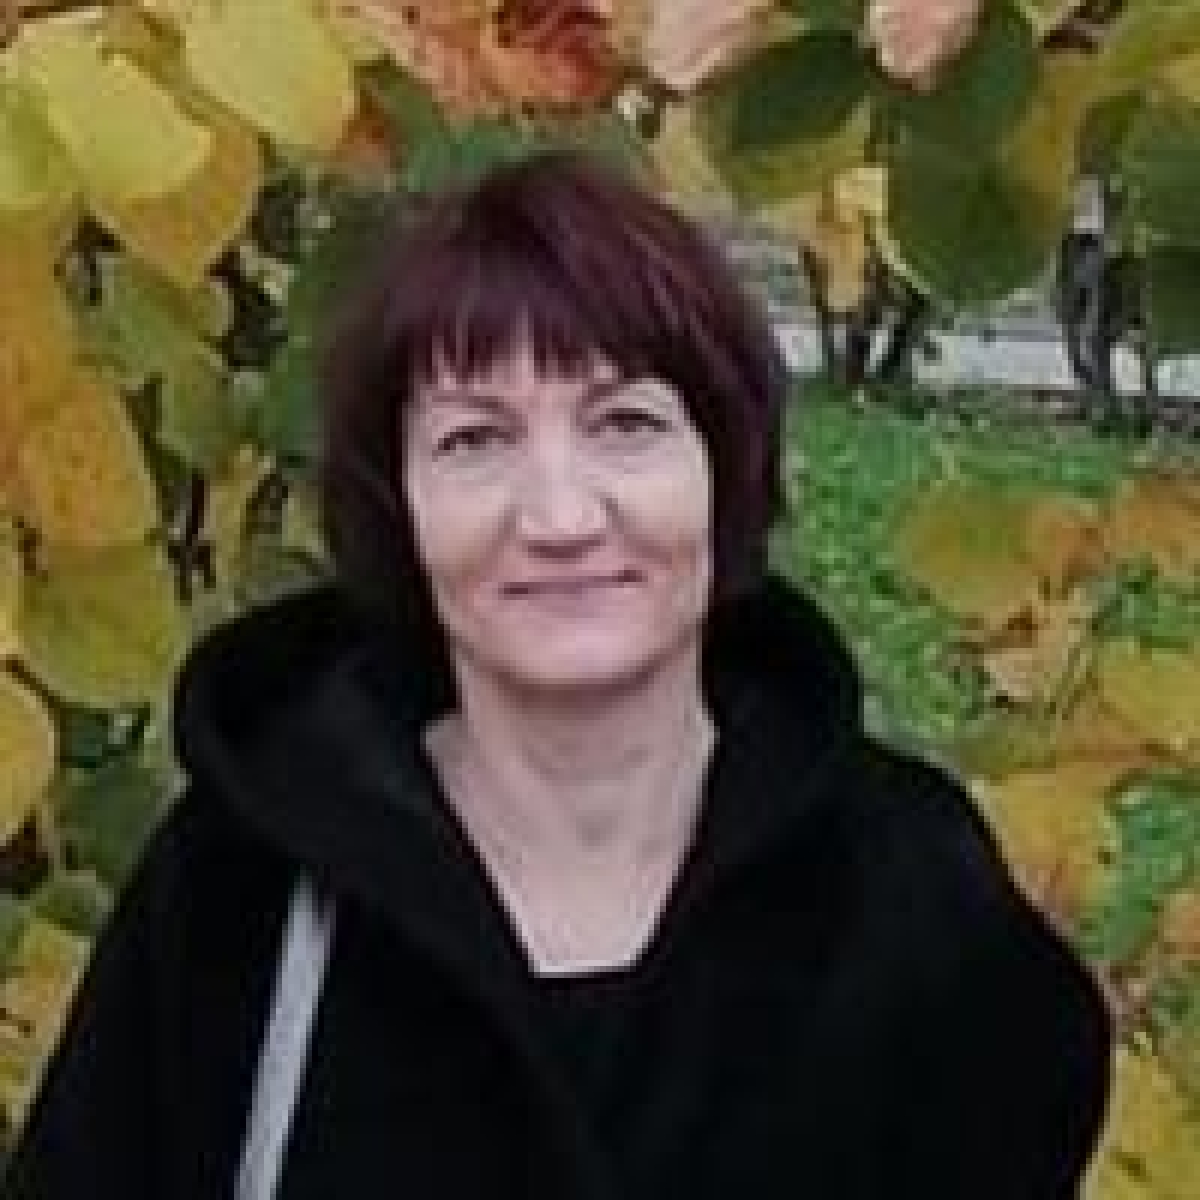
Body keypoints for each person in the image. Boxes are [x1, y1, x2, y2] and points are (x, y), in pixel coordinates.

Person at [5, 152, 1111, 1199]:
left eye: (624, 424)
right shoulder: (241, 894)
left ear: (724, 466)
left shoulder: (907, 892)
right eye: (475, 440)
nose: (560, 516)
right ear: (399, 503)